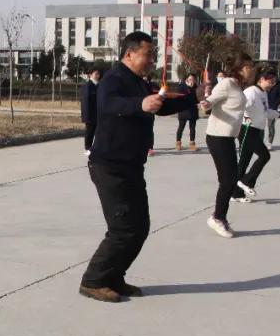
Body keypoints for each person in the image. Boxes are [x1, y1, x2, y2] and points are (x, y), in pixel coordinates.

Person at [79, 32, 196, 303]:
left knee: (140, 226)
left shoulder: (139, 82)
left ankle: (113, 277)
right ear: (129, 54)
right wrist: (139, 104)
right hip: (110, 166)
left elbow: (160, 106)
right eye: (148, 54)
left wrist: (193, 96)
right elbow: (108, 104)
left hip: (132, 165)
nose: (152, 59)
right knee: (122, 228)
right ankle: (93, 281)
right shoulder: (113, 78)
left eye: (153, 54)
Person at [200, 54, 250, 237]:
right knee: (228, 180)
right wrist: (206, 102)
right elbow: (211, 102)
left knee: (230, 178)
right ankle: (218, 217)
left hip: (227, 138)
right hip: (218, 136)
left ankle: (219, 217)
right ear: (239, 68)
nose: (251, 70)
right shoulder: (227, 84)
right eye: (247, 66)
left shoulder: (237, 85)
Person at [233, 68, 280, 203]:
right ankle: (246, 182)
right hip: (247, 129)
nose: (272, 84)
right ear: (261, 79)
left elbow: (265, 111)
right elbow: (240, 107)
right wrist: (244, 121)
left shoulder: (263, 93)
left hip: (256, 130)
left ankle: (236, 194)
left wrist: (277, 114)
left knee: (243, 162)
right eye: (270, 81)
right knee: (265, 155)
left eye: (274, 82)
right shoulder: (251, 92)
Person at [175, 73, 200, 151]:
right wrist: (188, 88)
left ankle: (192, 144)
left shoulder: (196, 87)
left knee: (192, 127)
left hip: (192, 109)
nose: (192, 81)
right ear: (187, 79)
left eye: (193, 79)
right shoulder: (181, 86)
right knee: (181, 127)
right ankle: (178, 143)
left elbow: (197, 98)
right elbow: (180, 96)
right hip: (183, 109)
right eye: (190, 79)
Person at [79, 66, 101, 155]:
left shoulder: (99, 85)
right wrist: (87, 116)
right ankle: (88, 148)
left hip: (99, 114)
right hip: (90, 115)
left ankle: (96, 148)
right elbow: (85, 103)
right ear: (90, 75)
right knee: (90, 132)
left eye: (98, 74)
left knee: (99, 132)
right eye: (96, 74)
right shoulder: (87, 87)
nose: (98, 76)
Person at [265, 74, 280, 147]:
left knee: (270, 125)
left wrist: (275, 104)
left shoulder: (278, 84)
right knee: (259, 125)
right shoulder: (264, 82)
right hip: (262, 106)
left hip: (272, 107)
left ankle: (270, 142)